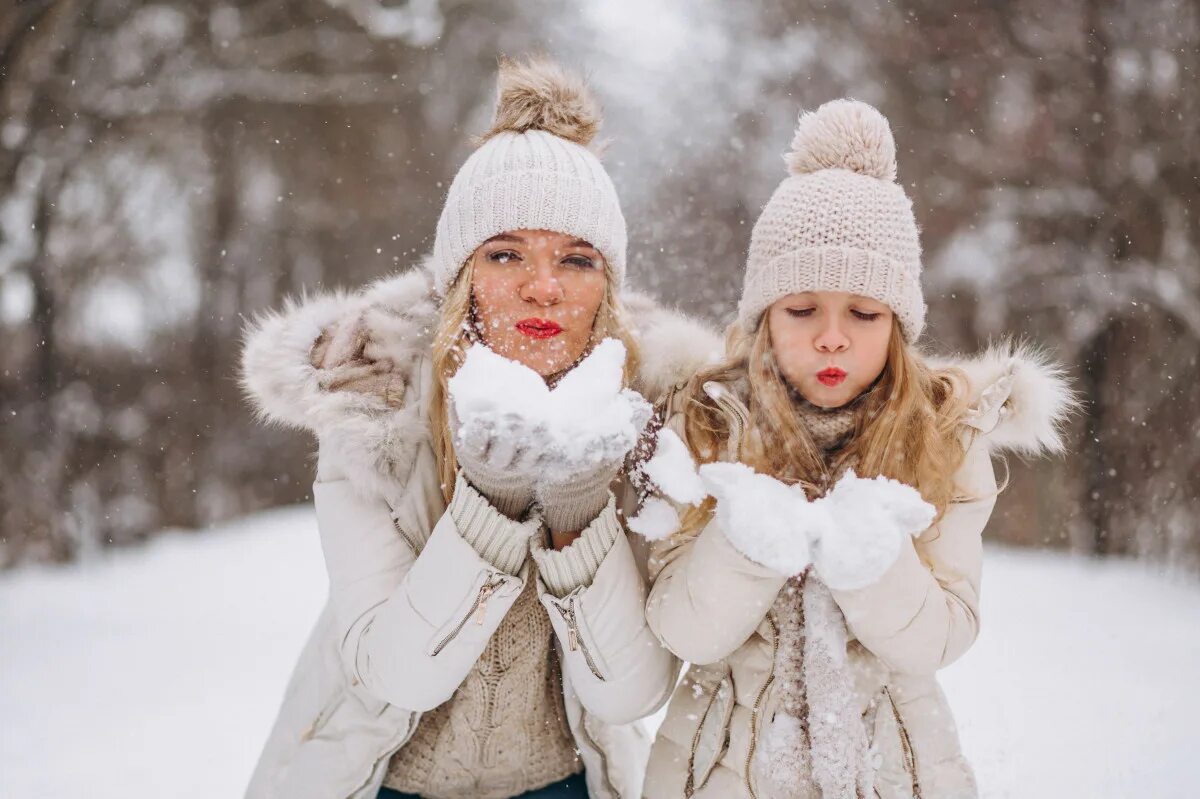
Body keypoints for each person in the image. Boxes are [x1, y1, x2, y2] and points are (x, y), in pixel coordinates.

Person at [240, 57, 714, 799]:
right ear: (461, 277)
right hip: (382, 782)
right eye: (505, 253)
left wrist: (578, 511)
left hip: (567, 782)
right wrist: (488, 505)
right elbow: (400, 672)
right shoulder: (373, 407)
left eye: (576, 259)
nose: (543, 286)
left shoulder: (651, 421)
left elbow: (631, 692)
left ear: (607, 285)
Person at [640, 99, 1077, 799]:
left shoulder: (944, 439)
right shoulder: (706, 426)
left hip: (894, 775)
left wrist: (876, 565)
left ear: (899, 324)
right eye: (803, 309)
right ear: (762, 318)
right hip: (717, 771)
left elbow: (942, 633)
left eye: (864, 313)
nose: (833, 337)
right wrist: (743, 548)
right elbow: (680, 628)